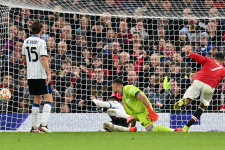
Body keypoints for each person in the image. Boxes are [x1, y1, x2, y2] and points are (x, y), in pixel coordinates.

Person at [174, 47, 225, 132]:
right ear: (223, 61)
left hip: (198, 81)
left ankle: (184, 101)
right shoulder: (223, 70)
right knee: (202, 107)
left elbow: (198, 57)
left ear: (214, 58)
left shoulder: (209, 60)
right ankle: (187, 127)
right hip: (209, 86)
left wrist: (188, 53)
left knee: (187, 100)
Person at [111, 78, 182, 132]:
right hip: (138, 113)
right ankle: (122, 127)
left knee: (150, 129)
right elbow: (132, 116)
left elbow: (141, 96)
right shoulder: (123, 98)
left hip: (145, 110)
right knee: (122, 107)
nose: (112, 88)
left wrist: (149, 109)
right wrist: (132, 128)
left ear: (116, 86)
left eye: (112, 86)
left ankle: (174, 130)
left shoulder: (127, 88)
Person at [22, 21, 53, 133]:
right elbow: (43, 58)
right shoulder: (41, 42)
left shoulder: (25, 41)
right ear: (41, 30)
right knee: (49, 99)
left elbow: (23, 59)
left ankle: (34, 127)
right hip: (41, 75)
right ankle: (43, 125)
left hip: (31, 75)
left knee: (37, 100)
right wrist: (48, 73)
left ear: (31, 30)